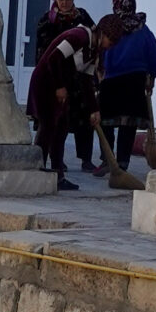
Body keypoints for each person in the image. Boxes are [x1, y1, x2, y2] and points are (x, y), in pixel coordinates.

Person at [96, 0, 156, 187]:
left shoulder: (111, 26)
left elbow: (100, 49)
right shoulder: (143, 29)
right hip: (135, 80)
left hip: (111, 79)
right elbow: (153, 53)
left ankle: (108, 159)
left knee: (106, 121)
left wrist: (98, 72)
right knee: (128, 123)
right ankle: (121, 162)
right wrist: (151, 77)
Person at [27, 20, 96, 190]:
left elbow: (87, 81)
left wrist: (94, 110)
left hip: (61, 87)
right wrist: (59, 86)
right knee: (48, 125)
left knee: (62, 127)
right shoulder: (77, 36)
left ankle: (57, 175)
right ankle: (37, 171)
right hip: (45, 82)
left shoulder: (95, 50)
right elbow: (53, 58)